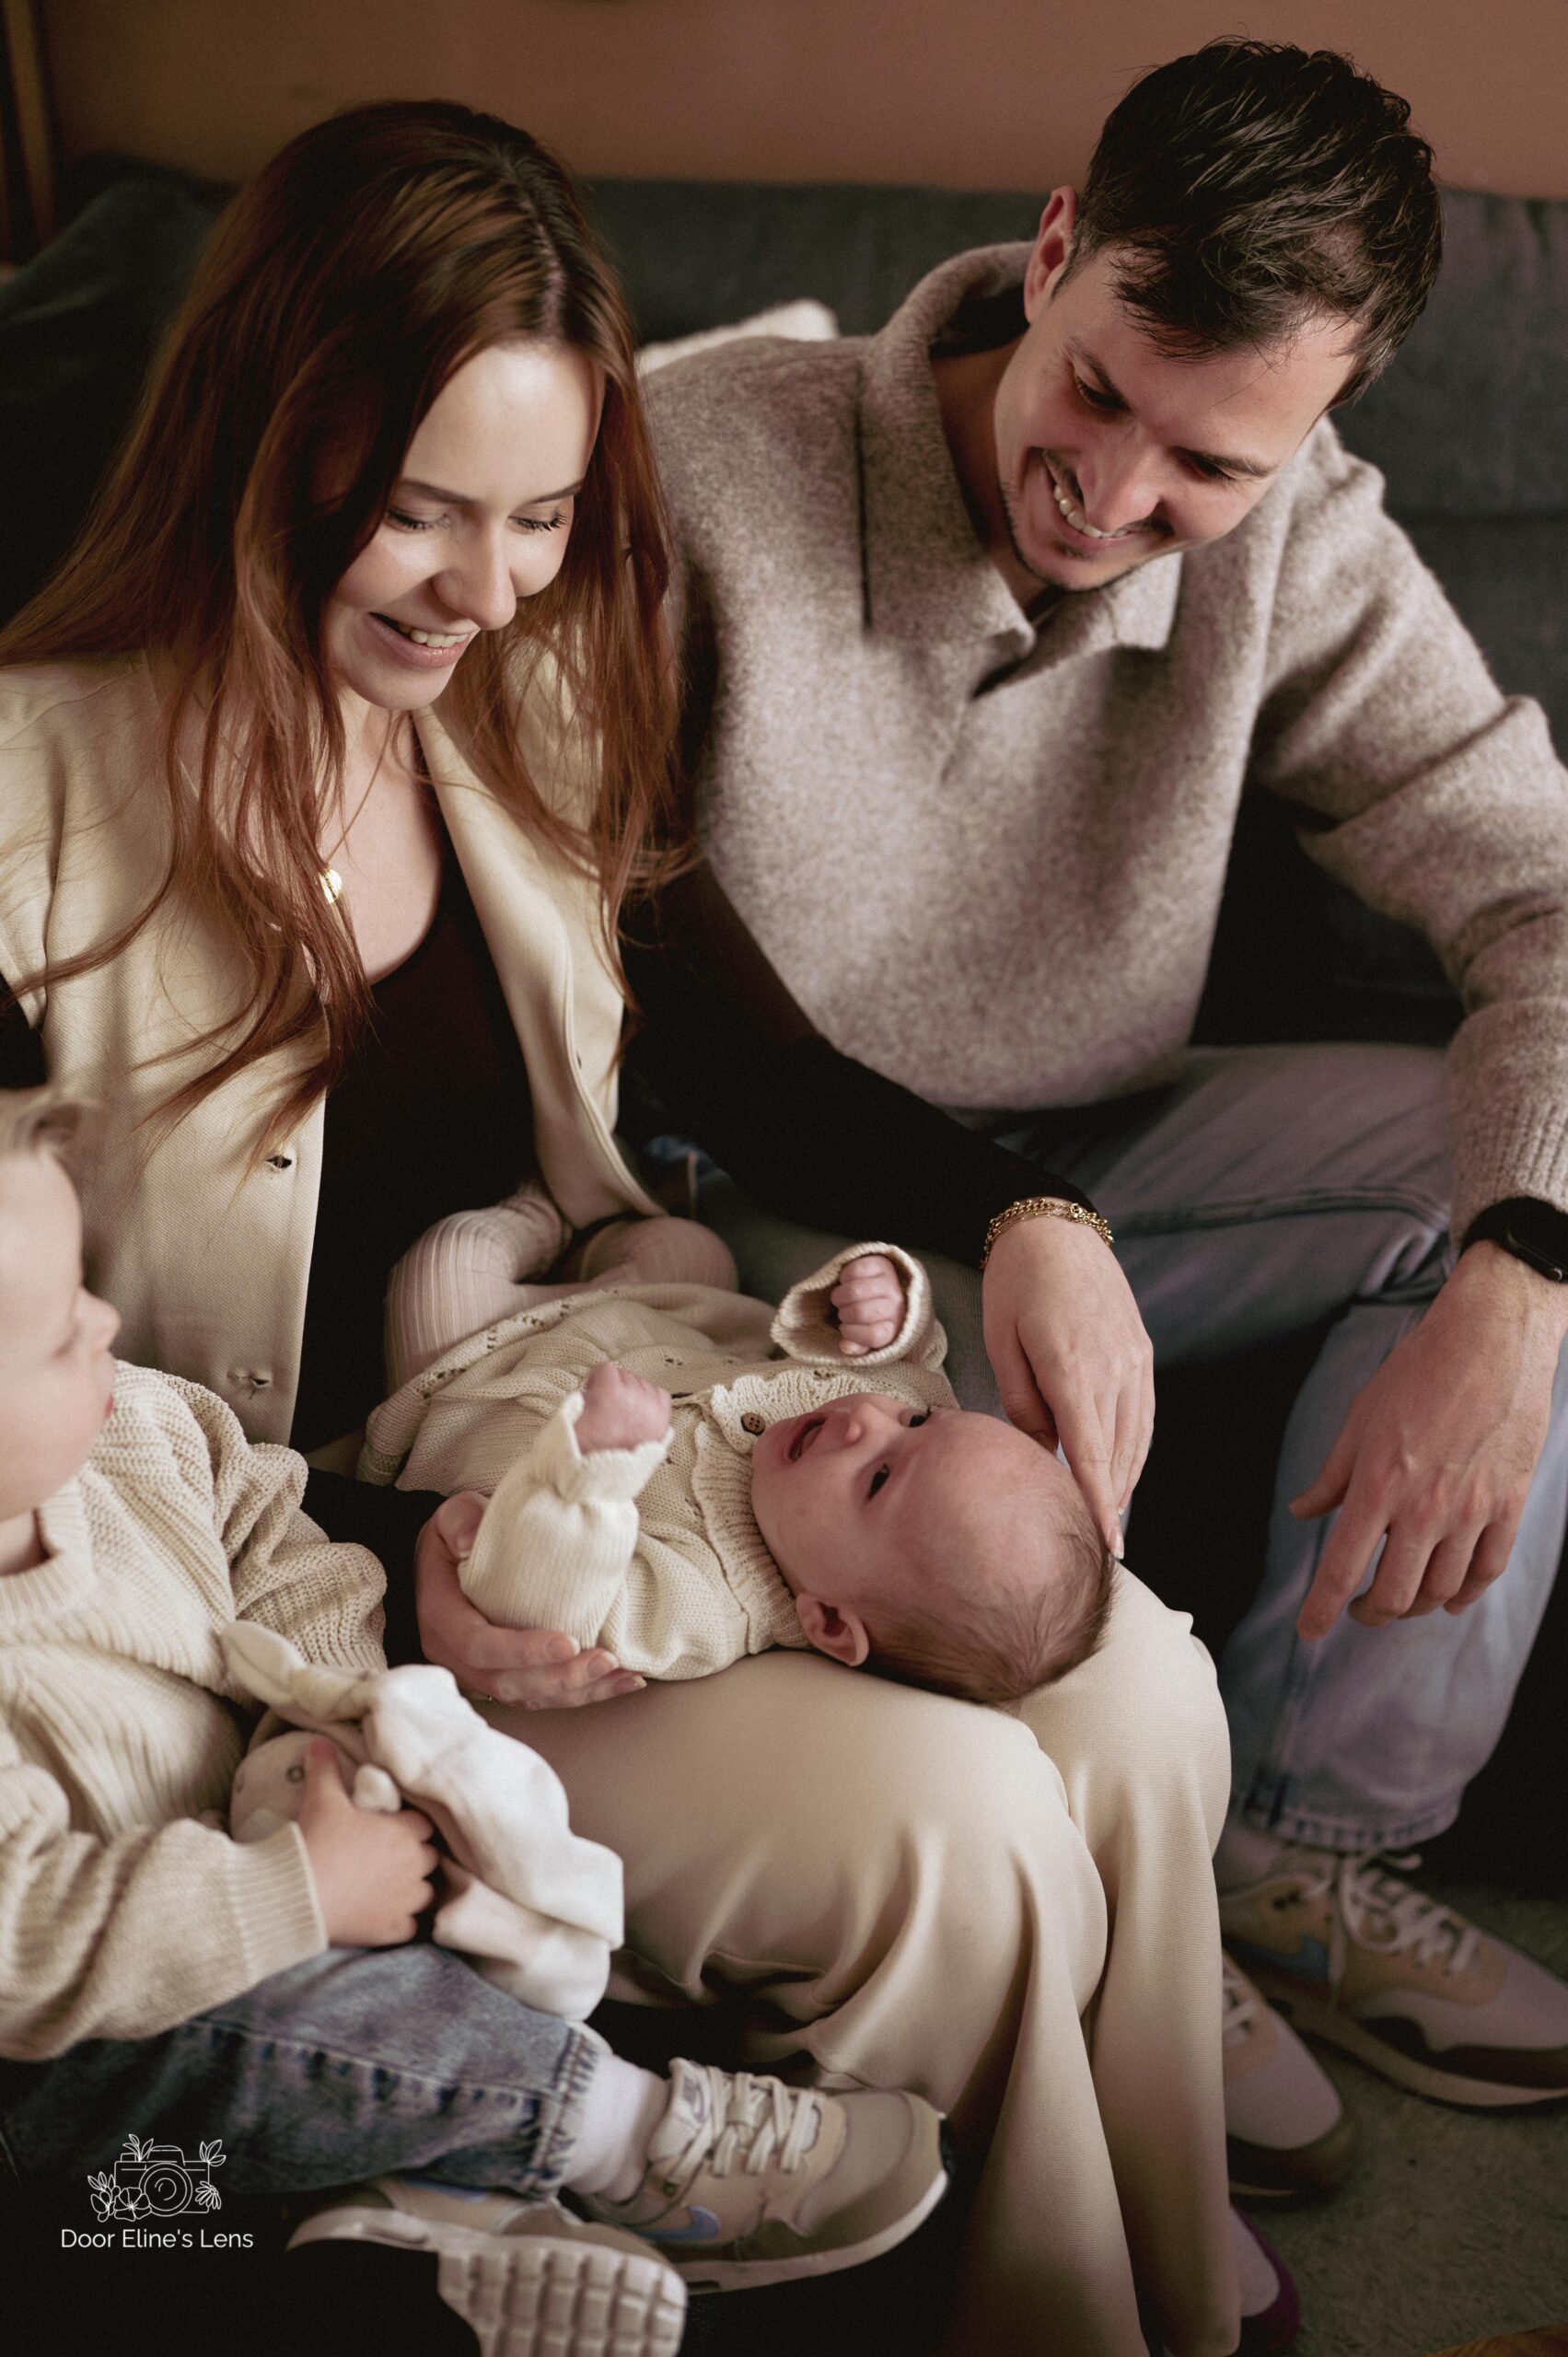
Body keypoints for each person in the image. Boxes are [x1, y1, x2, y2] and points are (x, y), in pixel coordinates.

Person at [0, 100, 1252, 2357]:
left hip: (599, 1456)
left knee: (1140, 1687)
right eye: (422, 511)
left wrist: (1027, 1212)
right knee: (959, 1820)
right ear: (266, 445)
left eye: (544, 517)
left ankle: (1170, 2269)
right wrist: (420, 1562)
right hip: (310, 1581)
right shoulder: (29, 800)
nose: (487, 591)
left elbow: (743, 1059)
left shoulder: (531, 699)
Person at [627, 30, 1568, 2197]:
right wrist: (1007, 1220)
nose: (1114, 496)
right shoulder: (706, 463)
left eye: (1206, 463)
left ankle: (1297, 1850)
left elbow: (1539, 889)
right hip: (764, 1179)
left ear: (1312, 424)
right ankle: (1114, 1902)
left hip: (1086, 1157)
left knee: (1507, 1192)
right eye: (1096, 393)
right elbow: (655, 991)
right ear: (1054, 248)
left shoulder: (1293, 539)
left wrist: (1517, 1277)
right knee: (941, 1455)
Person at [0, 1093, 948, 2353]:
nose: (109, 1321)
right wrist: (295, 1889)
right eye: (59, 1331)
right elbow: (27, 1946)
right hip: (92, 2007)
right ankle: (619, 2135)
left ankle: (421, 2211)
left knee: (468, 1873)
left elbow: (275, 1537)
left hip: (269, 1825)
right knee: (227, 2042)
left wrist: (345, 1715)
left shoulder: (141, 1424)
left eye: (88, 1283)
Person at [369, 1228, 1110, 1700]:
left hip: (475, 1375)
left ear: (827, 1621)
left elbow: (547, 1606)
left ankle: (536, 1212)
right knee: (693, 1248)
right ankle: (580, 1232)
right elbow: (913, 1362)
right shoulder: (888, 1412)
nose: (868, 1420)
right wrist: (881, 1310)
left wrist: (594, 1473)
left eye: (878, 1479)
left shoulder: (696, 1608)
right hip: (643, 1314)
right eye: (919, 1422)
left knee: (444, 1269)